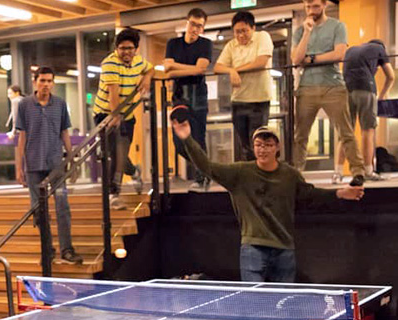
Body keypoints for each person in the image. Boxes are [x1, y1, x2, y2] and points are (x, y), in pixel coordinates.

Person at [170, 113, 363, 282]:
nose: (262, 149)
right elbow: (207, 166)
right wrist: (187, 139)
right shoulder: (239, 173)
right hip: (253, 249)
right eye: (258, 145)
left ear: (277, 148)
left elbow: (311, 195)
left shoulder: (290, 175)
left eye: (268, 145)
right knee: (255, 302)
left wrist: (341, 193)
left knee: (282, 304)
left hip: (284, 249)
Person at [291, 0, 365, 185]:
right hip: (306, 87)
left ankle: (358, 172)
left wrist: (312, 58)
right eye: (307, 7)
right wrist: (307, 32)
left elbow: (339, 54)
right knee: (300, 135)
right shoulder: (300, 31)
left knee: (345, 131)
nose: (311, 10)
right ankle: (295, 175)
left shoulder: (337, 26)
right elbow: (296, 59)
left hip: (333, 86)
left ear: (324, 5)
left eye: (315, 6)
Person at [16, 67, 84, 265]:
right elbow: (22, 136)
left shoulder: (60, 104)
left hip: (56, 165)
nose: (46, 84)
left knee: (62, 206)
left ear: (53, 83)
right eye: (42, 80)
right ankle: (47, 250)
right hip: (33, 165)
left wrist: (71, 159)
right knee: (38, 210)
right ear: (35, 81)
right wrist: (19, 166)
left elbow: (64, 132)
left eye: (49, 81)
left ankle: (67, 249)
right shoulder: (24, 105)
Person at [92, 28, 153, 210]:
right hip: (105, 113)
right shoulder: (109, 63)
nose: (126, 52)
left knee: (120, 154)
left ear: (136, 49)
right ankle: (114, 194)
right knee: (114, 154)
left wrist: (147, 79)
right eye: (122, 48)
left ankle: (133, 171)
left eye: (130, 48)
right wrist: (115, 115)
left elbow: (149, 69)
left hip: (127, 115)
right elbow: (113, 93)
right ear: (116, 48)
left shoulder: (138, 61)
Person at [214, 11, 275, 162]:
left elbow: (261, 63)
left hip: (259, 100)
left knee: (259, 144)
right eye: (237, 32)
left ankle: (261, 178)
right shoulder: (231, 45)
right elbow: (217, 67)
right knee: (244, 146)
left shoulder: (263, 37)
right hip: (238, 101)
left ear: (253, 28)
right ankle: (249, 181)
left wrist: (236, 70)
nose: (241, 35)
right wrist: (230, 70)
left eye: (244, 31)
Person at [164, 8, 213, 191]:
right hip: (178, 95)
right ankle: (207, 170)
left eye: (200, 26)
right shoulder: (173, 43)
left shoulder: (205, 44)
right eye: (193, 24)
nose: (195, 29)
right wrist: (189, 69)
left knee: (198, 137)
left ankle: (202, 178)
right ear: (187, 22)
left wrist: (175, 68)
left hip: (198, 93)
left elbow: (200, 70)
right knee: (179, 142)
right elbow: (167, 69)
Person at [338, 39, 395, 183]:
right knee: (367, 131)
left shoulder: (351, 50)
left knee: (346, 132)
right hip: (366, 88)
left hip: (345, 90)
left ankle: (337, 173)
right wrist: (382, 95)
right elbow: (391, 76)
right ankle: (368, 171)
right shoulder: (379, 49)